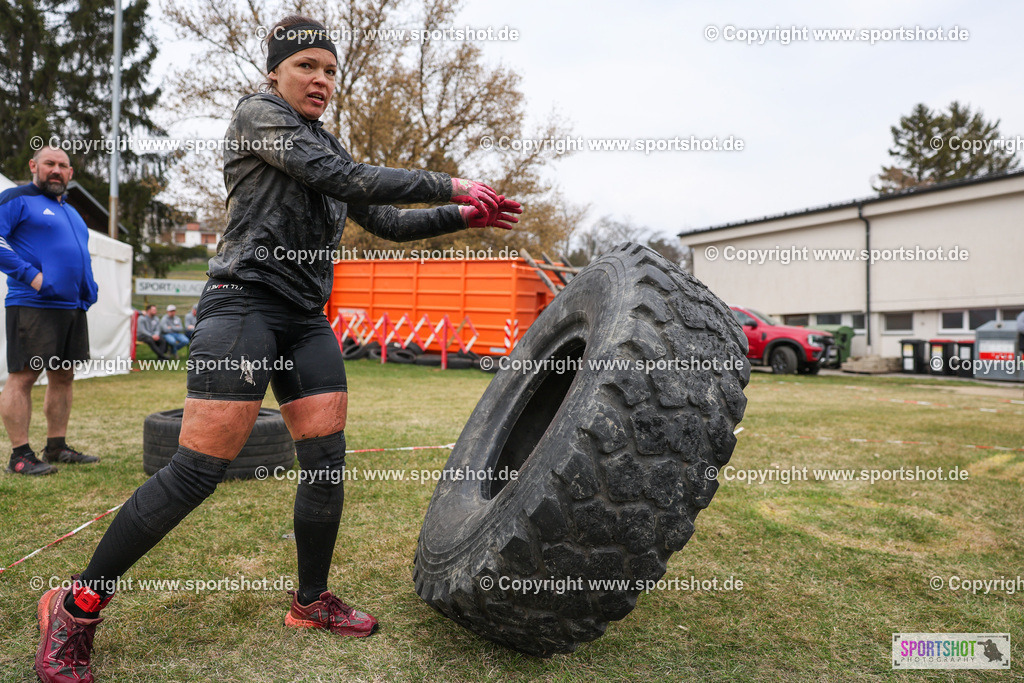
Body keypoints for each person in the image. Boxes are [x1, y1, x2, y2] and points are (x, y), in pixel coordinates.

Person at [33, 14, 521, 682]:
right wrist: (452, 182)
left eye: (329, 70)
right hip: (243, 304)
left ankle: (311, 600)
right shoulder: (257, 116)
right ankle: (73, 605)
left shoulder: (327, 145)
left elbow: (380, 218)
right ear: (275, 72)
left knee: (325, 460)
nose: (321, 80)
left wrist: (464, 215)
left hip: (304, 318)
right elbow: (347, 177)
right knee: (196, 471)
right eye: (305, 66)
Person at [0, 146, 100, 477]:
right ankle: (20, 456)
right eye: (49, 163)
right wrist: (33, 277)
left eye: (62, 165)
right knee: (24, 376)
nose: (56, 169)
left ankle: (56, 447)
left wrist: (88, 288)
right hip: (32, 303)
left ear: (70, 173)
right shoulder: (17, 199)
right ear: (34, 166)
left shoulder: (71, 212)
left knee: (63, 375)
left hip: (71, 307)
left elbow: (79, 255)